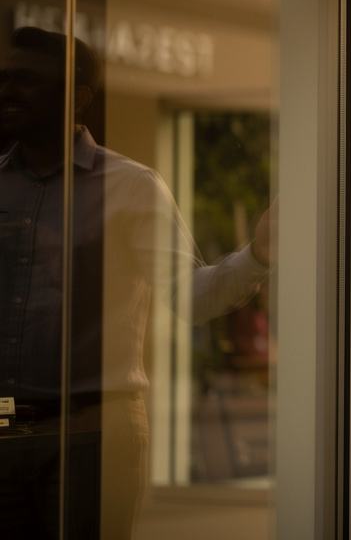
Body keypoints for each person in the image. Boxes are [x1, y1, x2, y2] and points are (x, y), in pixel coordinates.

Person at [0, 27, 272, 538]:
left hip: (91, 436)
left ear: (76, 97)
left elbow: (191, 298)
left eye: (27, 80)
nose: (8, 90)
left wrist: (258, 255)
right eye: (5, 78)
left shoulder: (130, 186)